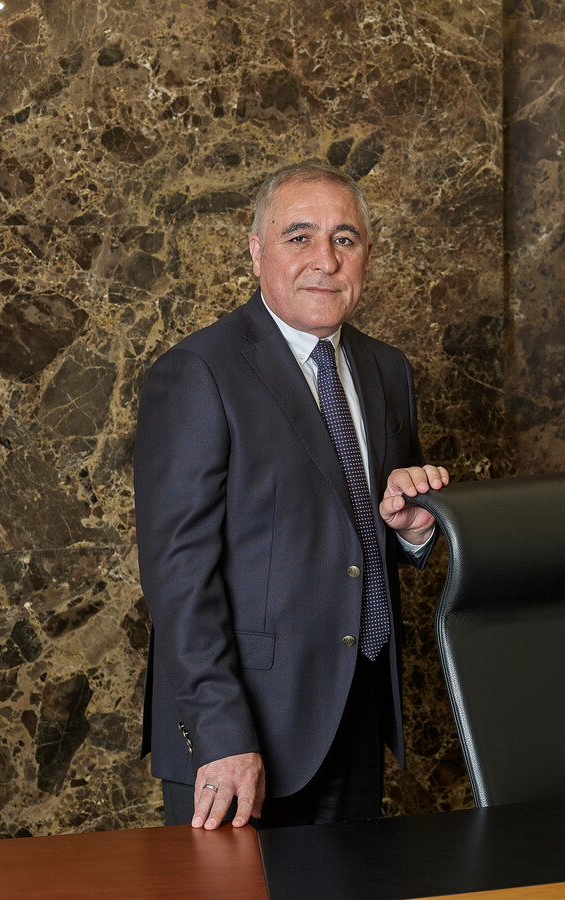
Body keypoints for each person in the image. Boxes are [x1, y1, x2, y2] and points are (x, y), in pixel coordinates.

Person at [134, 160, 449, 829]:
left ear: (367, 255)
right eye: (299, 237)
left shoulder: (386, 369)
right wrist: (222, 736)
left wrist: (413, 530)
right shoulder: (198, 372)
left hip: (356, 713)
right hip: (243, 736)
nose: (325, 261)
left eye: (345, 239)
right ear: (257, 252)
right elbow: (178, 577)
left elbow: (364, 524)